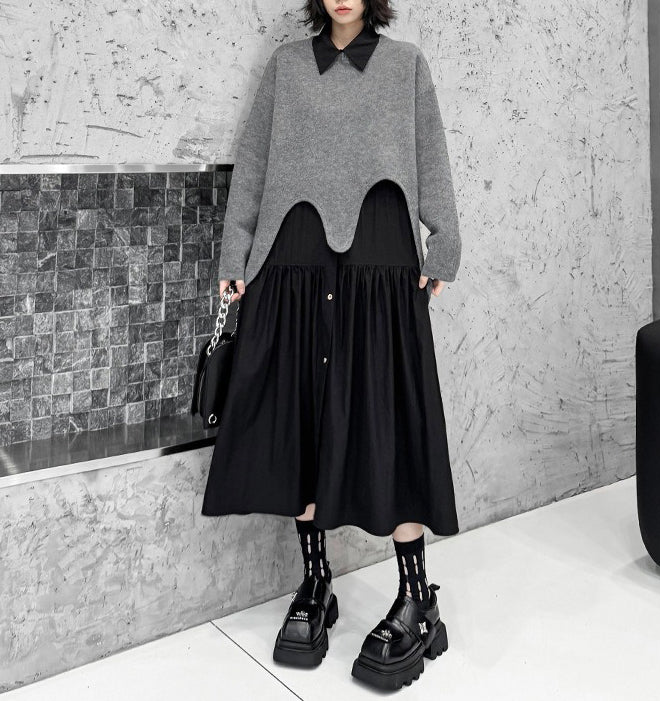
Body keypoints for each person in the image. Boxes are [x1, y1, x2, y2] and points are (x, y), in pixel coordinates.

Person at [201, 0, 462, 690]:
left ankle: (418, 599)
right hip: (291, 258)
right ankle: (316, 583)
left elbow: (430, 155)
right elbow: (255, 162)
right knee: (303, 415)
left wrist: (443, 241)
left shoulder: (404, 65)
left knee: (391, 415)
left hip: (380, 257)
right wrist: (235, 252)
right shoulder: (287, 66)